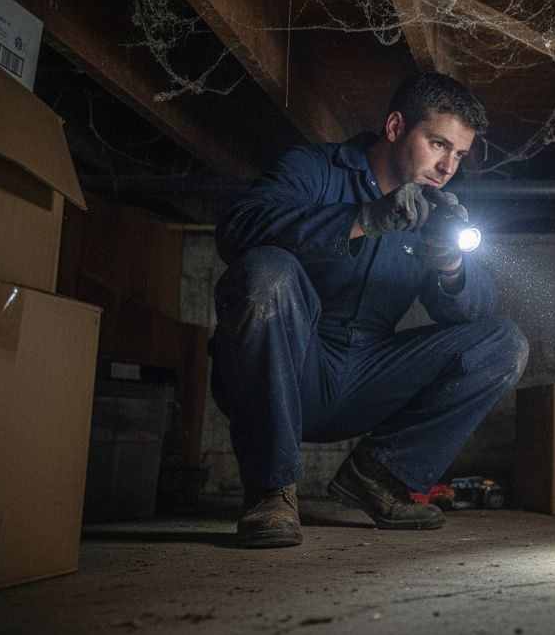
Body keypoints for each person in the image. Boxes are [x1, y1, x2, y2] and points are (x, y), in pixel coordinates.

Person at [210, 72, 529, 548]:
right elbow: (239, 229)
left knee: (503, 342)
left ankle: (378, 475)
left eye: (459, 155)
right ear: (397, 127)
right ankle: (270, 490)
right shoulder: (315, 168)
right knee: (268, 270)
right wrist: (363, 219)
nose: (447, 167)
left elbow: (474, 311)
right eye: (438, 144)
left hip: (364, 378)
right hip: (289, 369)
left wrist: (451, 263)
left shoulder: (433, 211)